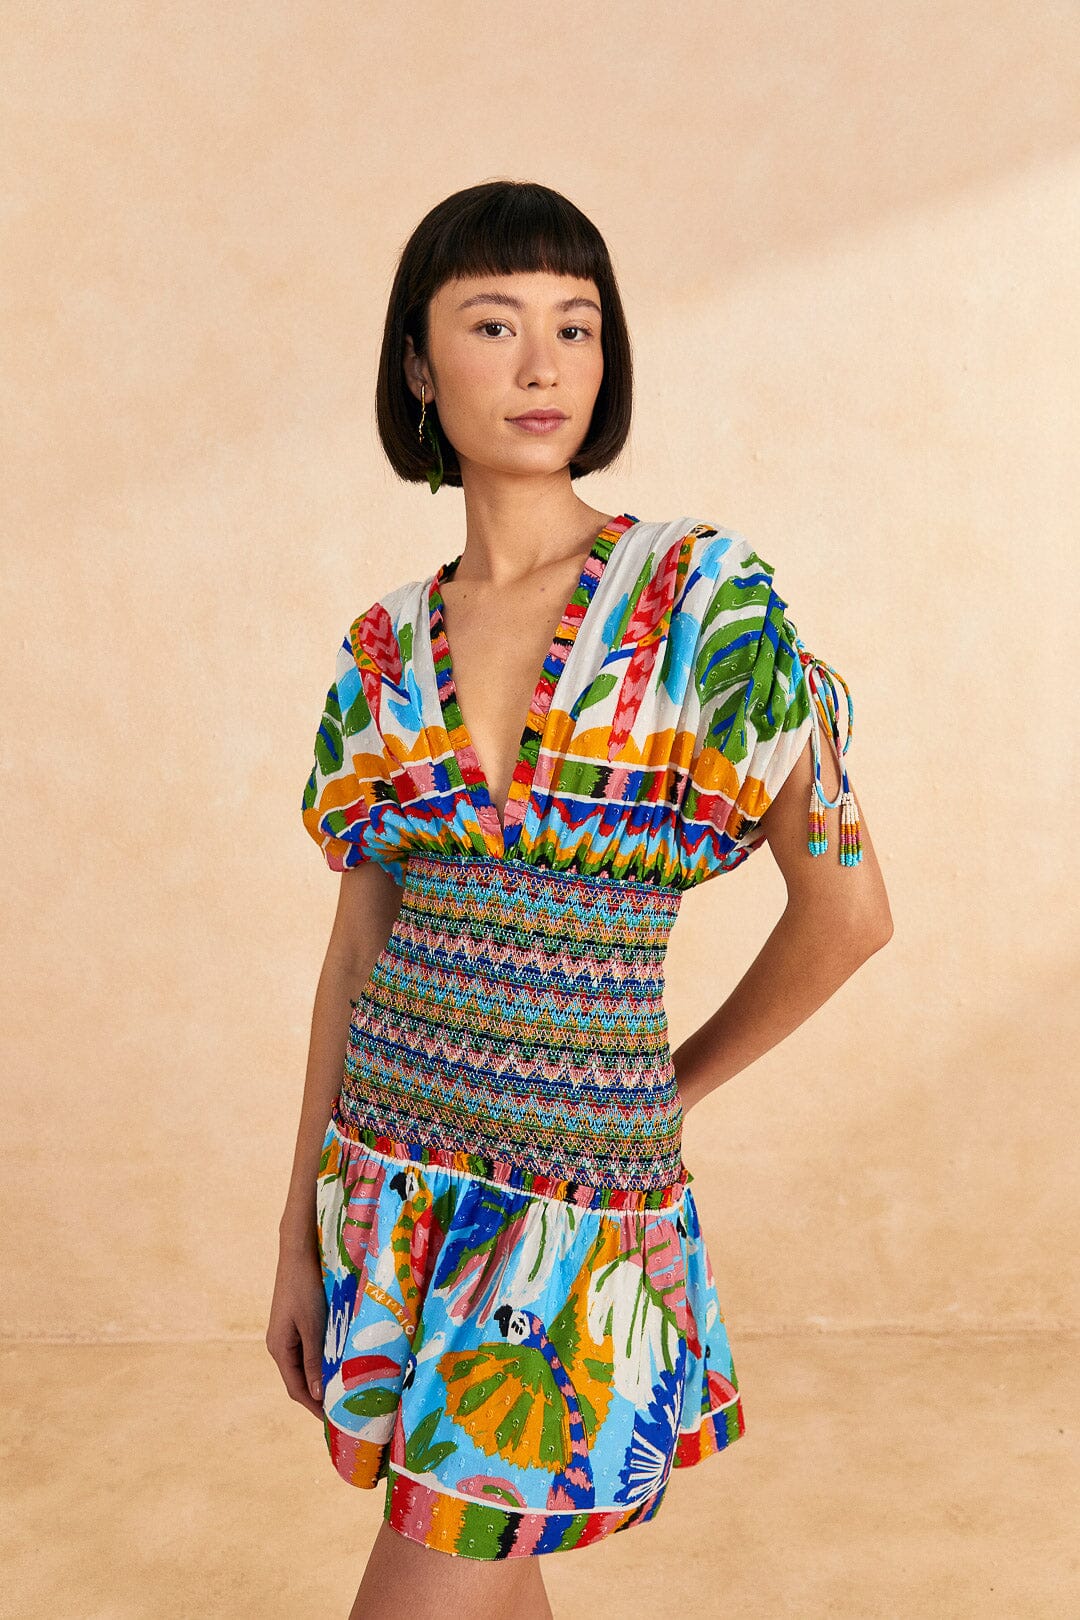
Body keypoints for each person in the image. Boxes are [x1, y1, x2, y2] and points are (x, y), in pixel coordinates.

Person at [267, 179, 893, 1620]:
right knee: (493, 1578)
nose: (543, 365)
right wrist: (294, 1236)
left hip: (570, 1216)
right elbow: (355, 957)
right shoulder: (382, 653)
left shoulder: (700, 601)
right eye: (494, 324)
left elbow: (851, 914)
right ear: (419, 365)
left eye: (577, 325)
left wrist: (661, 1092)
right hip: (390, 1194)